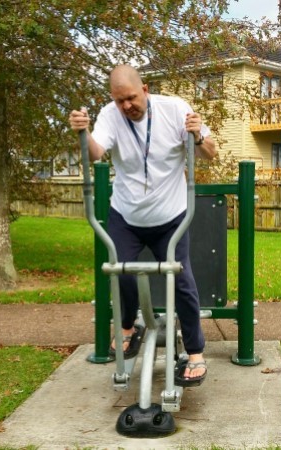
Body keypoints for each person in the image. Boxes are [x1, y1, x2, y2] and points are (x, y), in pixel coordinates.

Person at [69, 64, 217, 386]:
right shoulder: (110, 115)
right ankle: (127, 327)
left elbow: (210, 153)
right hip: (127, 215)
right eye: (119, 100)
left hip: (171, 217)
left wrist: (198, 135)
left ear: (145, 90)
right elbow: (95, 154)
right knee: (120, 272)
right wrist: (83, 132)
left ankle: (195, 353)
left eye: (132, 98)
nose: (126, 106)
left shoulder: (174, 110)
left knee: (181, 281)